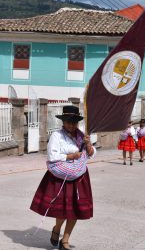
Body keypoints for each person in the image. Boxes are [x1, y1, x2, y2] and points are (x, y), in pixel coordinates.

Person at [30, 105, 96, 250]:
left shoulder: (82, 136)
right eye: (68, 121)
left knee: (75, 209)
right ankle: (56, 229)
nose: (71, 125)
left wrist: (88, 143)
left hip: (79, 177)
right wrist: (71, 156)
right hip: (61, 176)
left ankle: (65, 240)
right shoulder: (56, 136)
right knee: (63, 210)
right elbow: (52, 156)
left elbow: (91, 153)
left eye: (74, 122)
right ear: (63, 122)